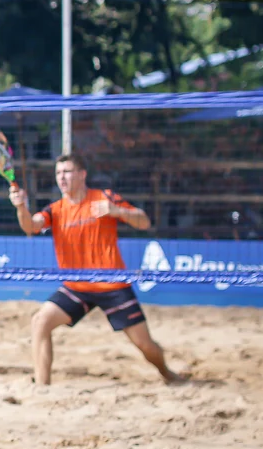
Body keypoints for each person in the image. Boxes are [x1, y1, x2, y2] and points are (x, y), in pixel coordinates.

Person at [9, 152, 180, 386]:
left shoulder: (103, 198)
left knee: (145, 345)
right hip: (77, 285)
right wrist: (20, 207)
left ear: (82, 174)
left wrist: (118, 211)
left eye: (67, 172)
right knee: (40, 321)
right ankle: (42, 387)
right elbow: (30, 226)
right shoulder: (55, 209)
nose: (62, 178)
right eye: (58, 173)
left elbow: (144, 222)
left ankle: (167, 373)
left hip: (112, 283)